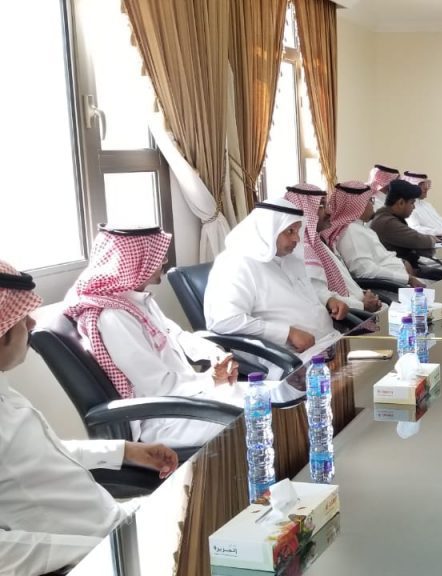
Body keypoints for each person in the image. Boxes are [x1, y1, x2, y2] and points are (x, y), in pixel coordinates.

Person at [0, 260, 178, 574]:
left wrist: (124, 451)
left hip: (115, 523)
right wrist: (97, 549)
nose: (31, 323)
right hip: (96, 555)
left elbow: (41, 456)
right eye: (21, 316)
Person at [64, 226, 241, 447]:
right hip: (167, 418)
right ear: (137, 261)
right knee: (259, 412)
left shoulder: (137, 301)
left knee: (266, 396)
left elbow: (177, 335)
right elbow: (159, 387)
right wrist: (211, 379)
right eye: (157, 255)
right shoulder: (114, 318)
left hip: (191, 399)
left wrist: (215, 355)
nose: (164, 260)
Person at [205, 198, 347, 354]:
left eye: (297, 231)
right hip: (290, 357)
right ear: (268, 230)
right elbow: (224, 321)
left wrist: (328, 299)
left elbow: (303, 290)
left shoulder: (289, 258)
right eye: (290, 231)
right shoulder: (235, 264)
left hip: (330, 342)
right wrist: (287, 333)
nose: (297, 238)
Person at [283, 184, 383, 314]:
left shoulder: (318, 242)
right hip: (350, 315)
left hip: (357, 305)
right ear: (304, 210)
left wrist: (362, 294)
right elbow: (320, 295)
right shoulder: (303, 249)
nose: (329, 211)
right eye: (321, 206)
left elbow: (343, 281)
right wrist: (362, 305)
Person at [325, 181, 425, 288]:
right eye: (370, 200)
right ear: (359, 205)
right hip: (390, 287)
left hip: (400, 281)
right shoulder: (350, 232)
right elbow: (365, 271)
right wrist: (407, 278)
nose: (373, 204)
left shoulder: (358, 227)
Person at [370, 179, 438, 266]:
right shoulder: (387, 222)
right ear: (401, 203)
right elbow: (417, 240)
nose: (414, 207)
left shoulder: (386, 216)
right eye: (412, 203)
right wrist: (432, 239)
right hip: (399, 269)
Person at [404, 172, 442, 237]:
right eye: (422, 185)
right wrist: (441, 232)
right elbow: (415, 229)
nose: (426, 188)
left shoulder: (427, 205)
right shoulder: (408, 207)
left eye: (426, 185)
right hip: (430, 241)